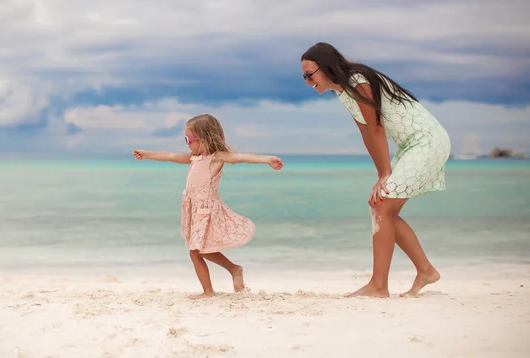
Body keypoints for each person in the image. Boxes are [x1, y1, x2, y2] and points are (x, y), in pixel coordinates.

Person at [301, 42, 451, 298]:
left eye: (309, 75)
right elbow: (367, 133)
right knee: (383, 207)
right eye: (304, 76)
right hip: (410, 145)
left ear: (326, 67)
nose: (307, 81)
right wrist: (381, 173)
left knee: (382, 205)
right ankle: (425, 271)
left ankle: (379, 286)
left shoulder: (358, 81)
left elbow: (377, 128)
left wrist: (385, 174)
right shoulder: (343, 92)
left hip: (427, 142)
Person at [133, 114, 284, 299]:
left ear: (204, 139)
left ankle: (209, 291)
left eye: (189, 139)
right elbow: (170, 156)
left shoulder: (215, 158)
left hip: (206, 211)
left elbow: (241, 157)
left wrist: (267, 159)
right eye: (185, 139)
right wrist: (147, 155)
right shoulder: (193, 158)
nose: (187, 143)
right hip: (194, 210)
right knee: (201, 250)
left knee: (195, 252)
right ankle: (233, 269)